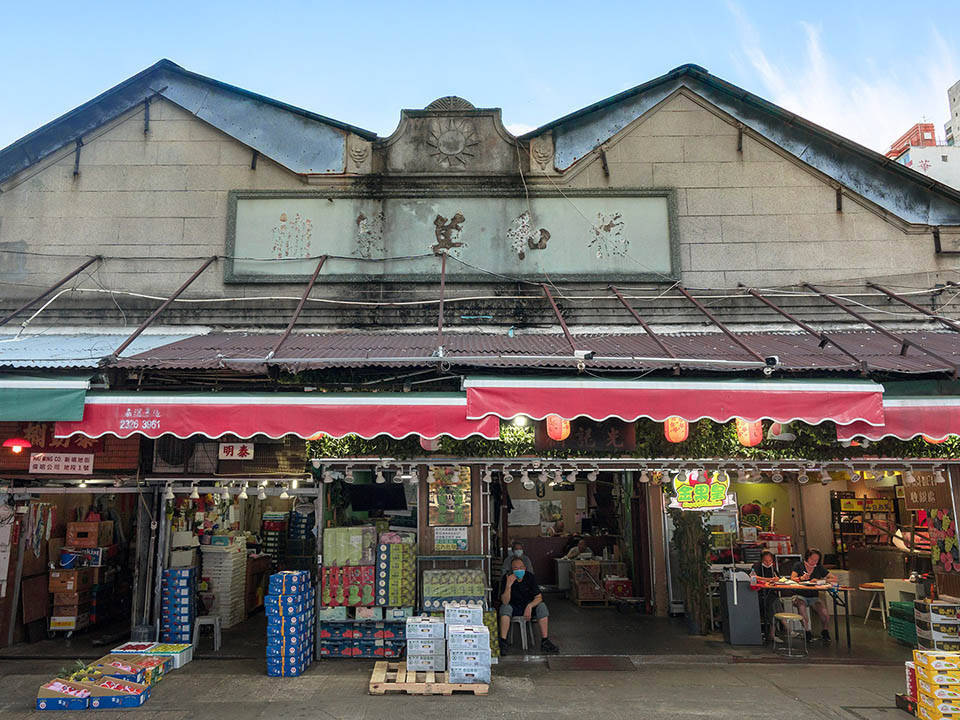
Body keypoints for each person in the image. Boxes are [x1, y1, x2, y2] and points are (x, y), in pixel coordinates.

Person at [499, 557, 559, 655]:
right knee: (504, 608)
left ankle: (545, 641)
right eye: (515, 568)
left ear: (525, 568)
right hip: (514, 607)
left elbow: (539, 597)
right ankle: (503, 642)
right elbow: (505, 601)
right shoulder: (506, 579)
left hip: (529, 607)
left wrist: (530, 606)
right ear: (511, 570)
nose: (519, 570)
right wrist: (508, 586)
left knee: (542, 607)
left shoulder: (530, 577)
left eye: (521, 567)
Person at [790, 547, 837, 645]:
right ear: (807, 557)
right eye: (812, 559)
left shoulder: (819, 568)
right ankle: (807, 632)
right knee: (802, 608)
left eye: (816, 560)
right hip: (800, 594)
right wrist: (801, 578)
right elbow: (792, 578)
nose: (814, 562)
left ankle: (825, 630)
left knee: (824, 613)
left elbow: (833, 579)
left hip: (814, 596)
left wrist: (819, 581)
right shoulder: (799, 565)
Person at [751, 550, 779, 639]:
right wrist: (768, 580)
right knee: (772, 604)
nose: (768, 563)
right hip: (759, 593)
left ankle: (775, 631)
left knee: (776, 603)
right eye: (766, 561)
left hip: (771, 592)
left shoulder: (772, 568)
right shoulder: (757, 566)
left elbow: (778, 578)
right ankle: (784, 628)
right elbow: (754, 577)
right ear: (762, 560)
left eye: (770, 561)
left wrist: (776, 579)